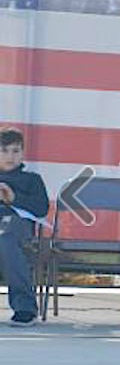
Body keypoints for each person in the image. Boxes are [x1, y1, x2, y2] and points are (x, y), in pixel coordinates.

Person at [0, 128, 49, 327]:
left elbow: (41, 208)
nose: (11, 156)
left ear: (23, 153)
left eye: (16, 151)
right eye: (4, 151)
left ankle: (25, 308)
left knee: (7, 237)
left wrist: (14, 198)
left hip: (17, 226)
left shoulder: (32, 179)